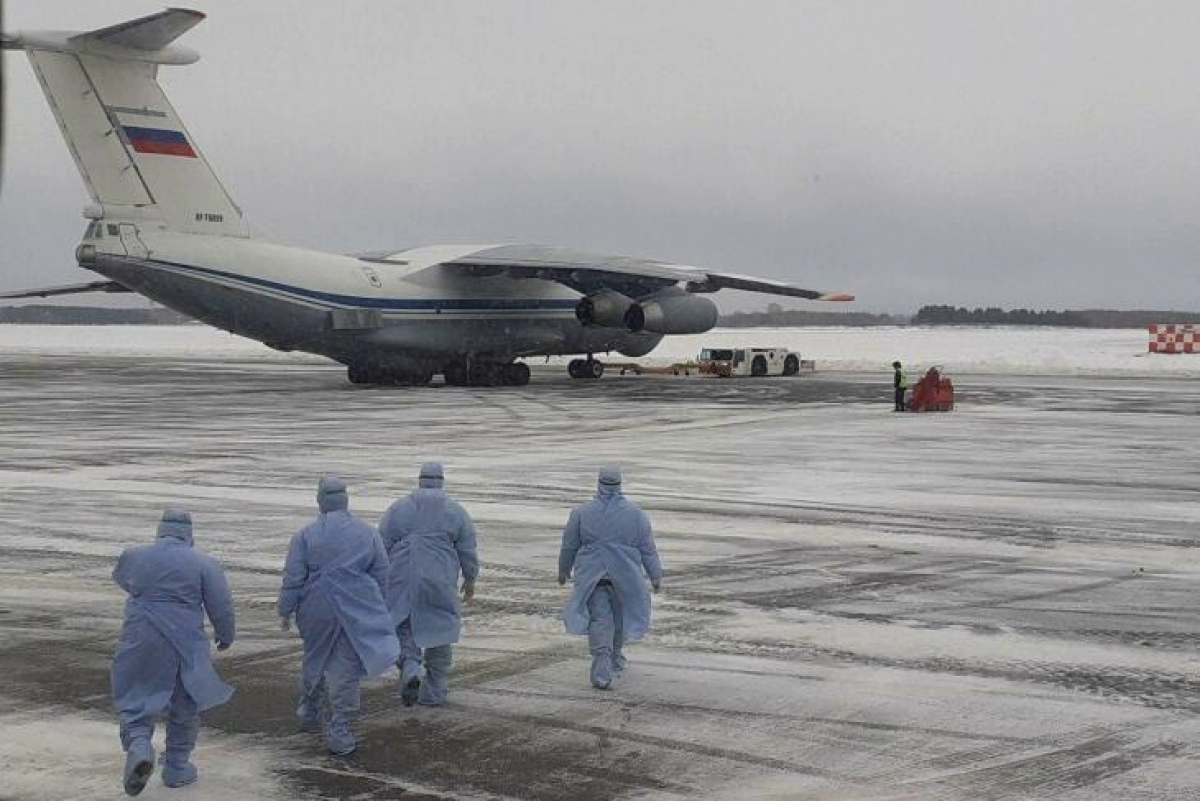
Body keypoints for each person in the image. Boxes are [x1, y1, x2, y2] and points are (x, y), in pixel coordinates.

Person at [111, 509, 235, 796]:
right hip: (184, 642)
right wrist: (225, 635)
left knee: (135, 695)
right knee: (184, 703)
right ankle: (177, 767)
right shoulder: (205, 564)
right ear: (188, 533)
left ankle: (140, 746)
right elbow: (221, 606)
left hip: (140, 637)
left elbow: (123, 579)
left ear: (160, 530)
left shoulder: (134, 555)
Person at [278, 476, 399, 756]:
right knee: (345, 670)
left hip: (315, 607)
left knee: (315, 658)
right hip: (355, 606)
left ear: (320, 501)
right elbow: (382, 573)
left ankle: (309, 710)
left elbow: (293, 577)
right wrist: (376, 604)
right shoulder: (367, 533)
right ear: (346, 500)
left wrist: (285, 609)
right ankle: (341, 730)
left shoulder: (305, 535)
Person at [379, 462, 479, 707]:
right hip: (440, 577)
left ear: (420, 480)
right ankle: (435, 689)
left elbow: (381, 545)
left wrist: (378, 579)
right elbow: (467, 547)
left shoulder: (399, 508)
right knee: (440, 629)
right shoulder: (455, 511)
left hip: (403, 575)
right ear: (441, 480)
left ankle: (411, 665)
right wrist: (470, 577)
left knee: (403, 627)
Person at [558, 467, 662, 690]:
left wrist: (563, 570)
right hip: (625, 578)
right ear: (619, 484)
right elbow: (648, 549)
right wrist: (655, 575)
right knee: (617, 621)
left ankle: (604, 666)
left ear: (598, 484)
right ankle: (612, 660)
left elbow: (569, 546)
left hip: (594, 578)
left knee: (602, 622)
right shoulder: (636, 514)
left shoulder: (582, 512)